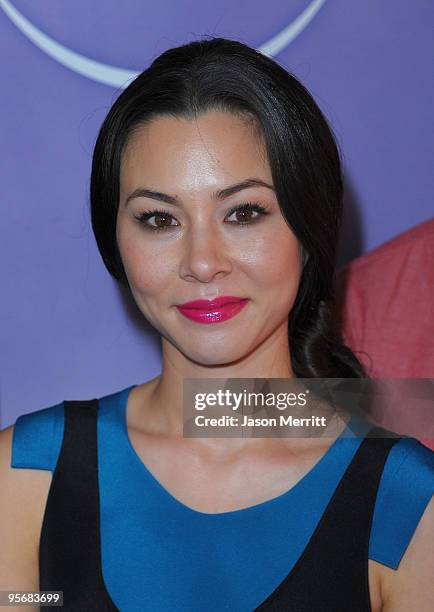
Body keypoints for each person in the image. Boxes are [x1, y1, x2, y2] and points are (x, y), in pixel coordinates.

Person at [0, 37, 433, 612]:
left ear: (309, 230)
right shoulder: (31, 474)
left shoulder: (404, 501)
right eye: (159, 219)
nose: (203, 262)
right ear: (116, 246)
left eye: (244, 213)